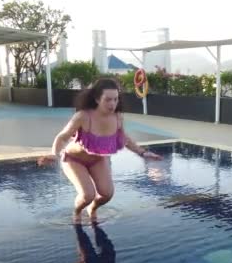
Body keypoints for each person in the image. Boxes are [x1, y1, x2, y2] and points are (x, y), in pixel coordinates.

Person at [39, 78, 162, 223]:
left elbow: (124, 138)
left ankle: (92, 209)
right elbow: (63, 136)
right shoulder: (83, 116)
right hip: (74, 160)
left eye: (115, 99)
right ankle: (77, 212)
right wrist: (55, 154)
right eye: (108, 100)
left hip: (97, 160)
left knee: (107, 194)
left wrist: (142, 152)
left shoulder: (117, 117)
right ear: (97, 99)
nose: (112, 104)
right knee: (87, 195)